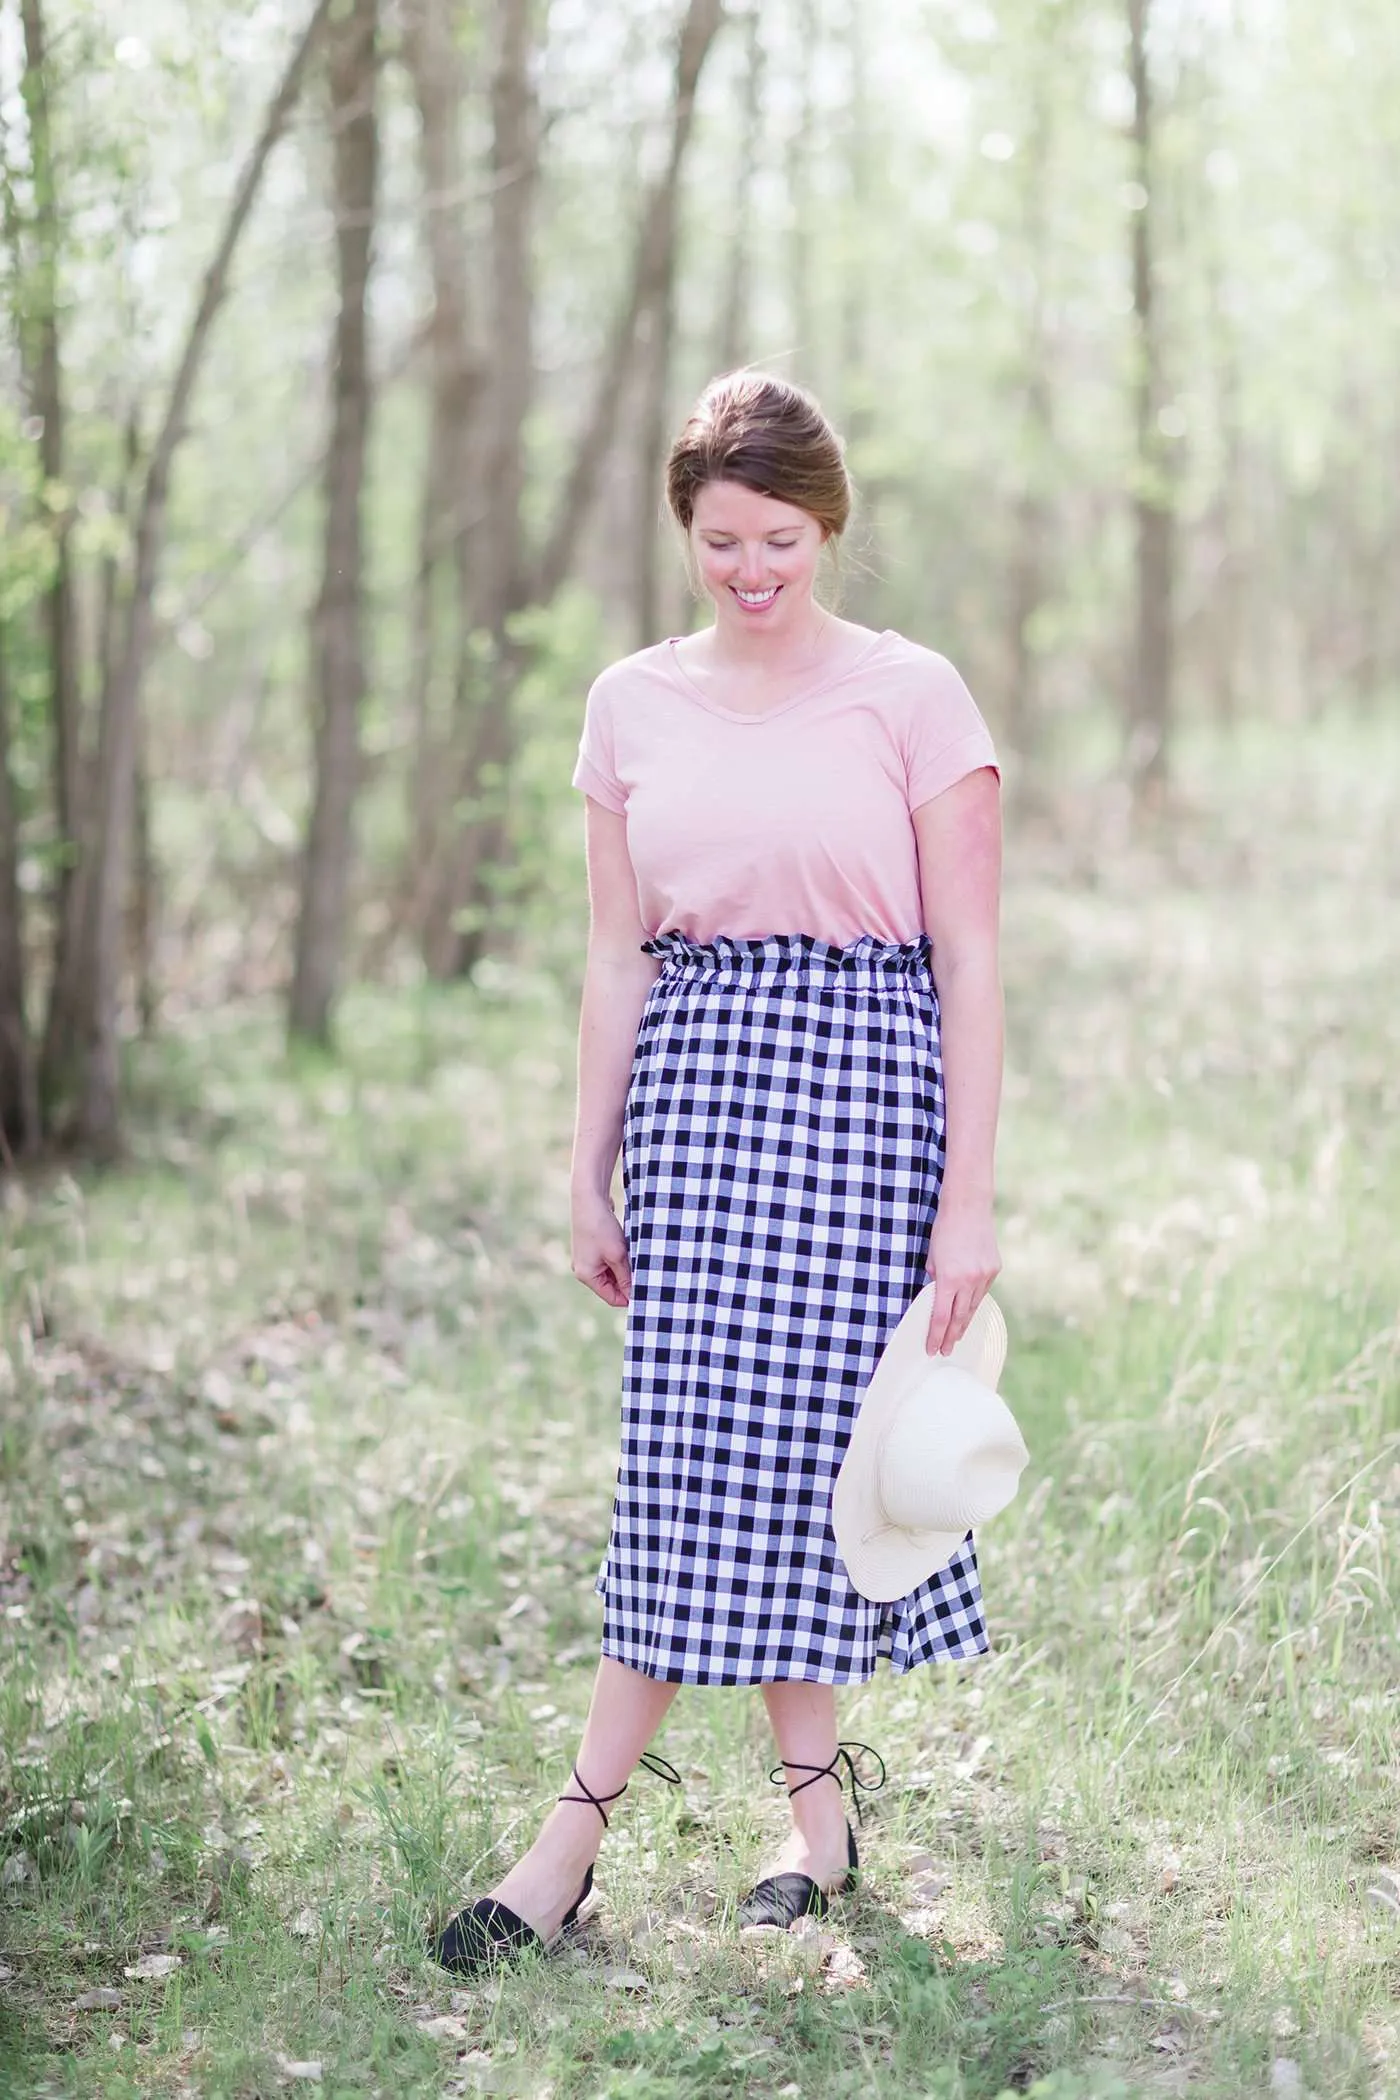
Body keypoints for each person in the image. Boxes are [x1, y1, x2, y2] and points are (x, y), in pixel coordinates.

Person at [433, 370, 1003, 1977]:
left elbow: (971, 964)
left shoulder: (915, 697)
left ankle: (737, 1832)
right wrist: (586, 1167)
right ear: (684, 532)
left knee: (815, 1479)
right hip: (696, 1106)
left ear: (828, 524)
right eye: (721, 542)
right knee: (691, 1470)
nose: (753, 570)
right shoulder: (631, 703)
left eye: (780, 539)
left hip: (868, 1111)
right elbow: (617, 957)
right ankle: (620, 1838)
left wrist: (969, 1198)